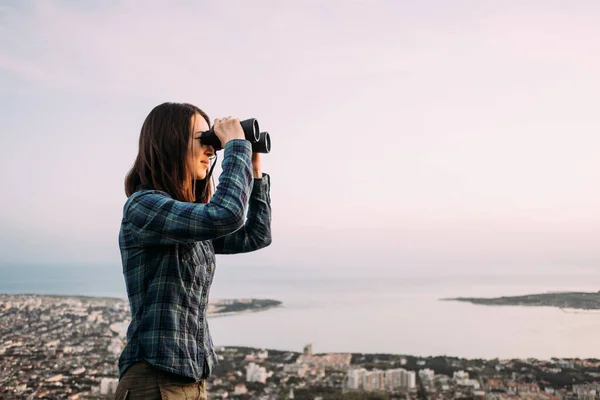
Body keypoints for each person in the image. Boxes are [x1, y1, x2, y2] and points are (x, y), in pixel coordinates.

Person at [113, 102, 272, 400]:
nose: (212, 150)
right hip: (154, 381)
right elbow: (227, 214)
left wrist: (254, 173)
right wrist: (235, 146)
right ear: (170, 143)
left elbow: (256, 236)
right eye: (204, 139)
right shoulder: (143, 206)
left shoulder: (190, 221)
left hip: (192, 383)